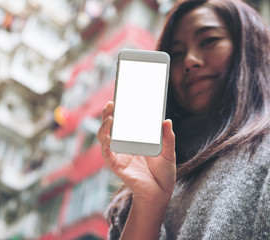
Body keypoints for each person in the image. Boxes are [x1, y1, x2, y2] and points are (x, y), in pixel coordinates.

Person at [97, 0, 270, 239]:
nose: (189, 60)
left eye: (209, 40)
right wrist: (149, 200)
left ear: (249, 46)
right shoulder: (135, 194)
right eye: (176, 54)